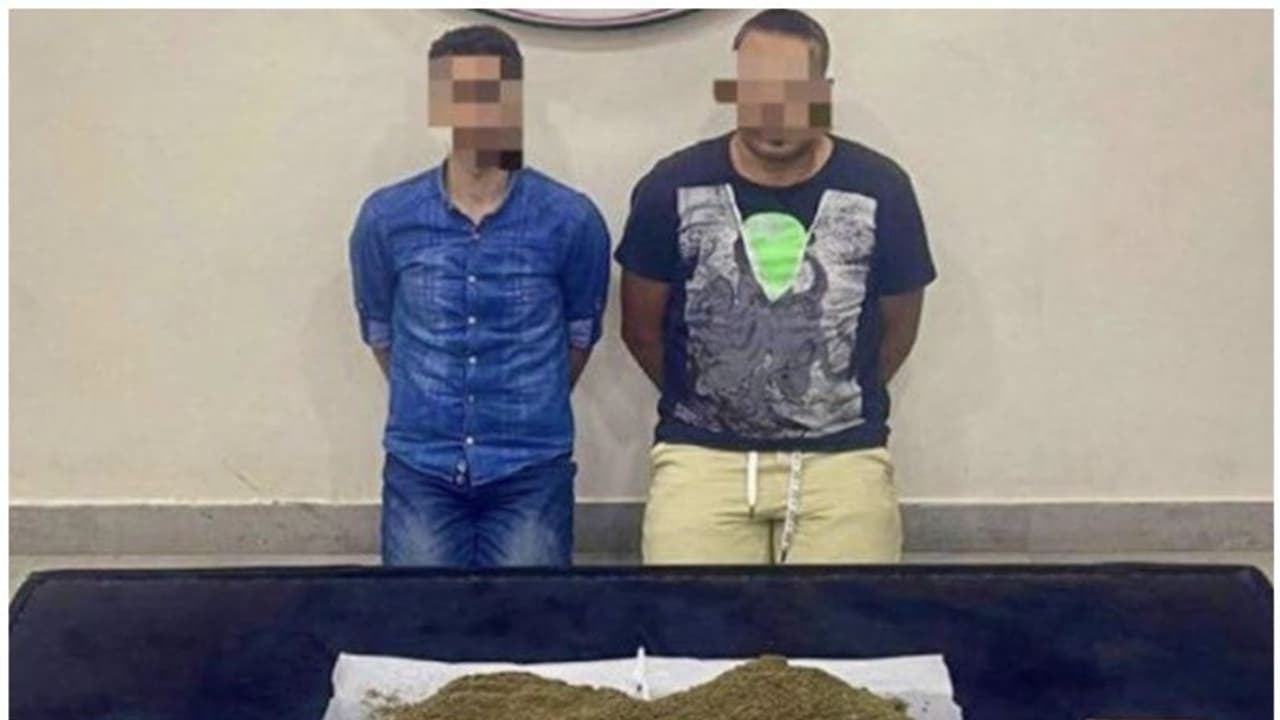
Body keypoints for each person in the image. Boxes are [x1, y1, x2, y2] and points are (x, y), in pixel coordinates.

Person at [616, 9, 936, 564]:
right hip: (703, 456)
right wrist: (719, 398)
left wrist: (822, 397)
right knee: (686, 618)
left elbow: (899, 328)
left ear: (822, 93)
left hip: (842, 459)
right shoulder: (671, 186)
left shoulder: (881, 188)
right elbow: (640, 329)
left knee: (852, 620)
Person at [349, 25, 611, 567]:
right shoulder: (386, 218)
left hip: (530, 468)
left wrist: (523, 403)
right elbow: (381, 331)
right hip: (422, 465)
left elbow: (579, 334)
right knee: (419, 617)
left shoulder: (570, 219)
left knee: (530, 616)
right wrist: (434, 400)